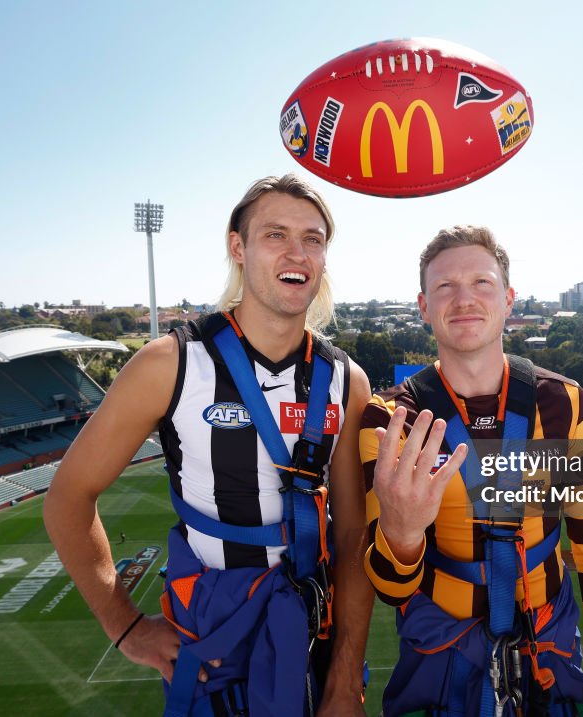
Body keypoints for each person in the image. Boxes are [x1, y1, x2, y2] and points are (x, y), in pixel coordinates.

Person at [44, 174, 373, 717]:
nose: (297, 252)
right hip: (213, 637)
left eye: (313, 239)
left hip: (313, 634)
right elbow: (68, 498)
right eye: (276, 234)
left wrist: (344, 683)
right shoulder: (170, 364)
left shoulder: (345, 380)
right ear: (237, 246)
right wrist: (125, 626)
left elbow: (354, 535)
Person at [360, 226, 583, 716]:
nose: (464, 299)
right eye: (445, 287)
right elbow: (389, 587)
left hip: (547, 654)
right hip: (440, 660)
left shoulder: (567, 405)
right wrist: (400, 534)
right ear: (423, 307)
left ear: (508, 300)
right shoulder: (389, 420)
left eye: (481, 283)